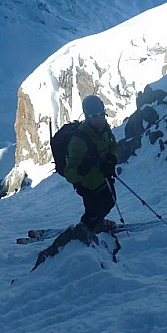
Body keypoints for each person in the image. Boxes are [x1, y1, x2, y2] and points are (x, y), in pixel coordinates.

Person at [63, 94, 118, 233]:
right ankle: (86, 229)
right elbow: (69, 174)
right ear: (87, 117)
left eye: (101, 114)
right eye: (94, 116)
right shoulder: (79, 140)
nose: (99, 118)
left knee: (110, 202)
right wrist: (83, 168)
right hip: (89, 187)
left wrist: (111, 158)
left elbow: (113, 145)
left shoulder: (105, 128)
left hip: (104, 179)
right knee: (94, 212)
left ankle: (97, 223)